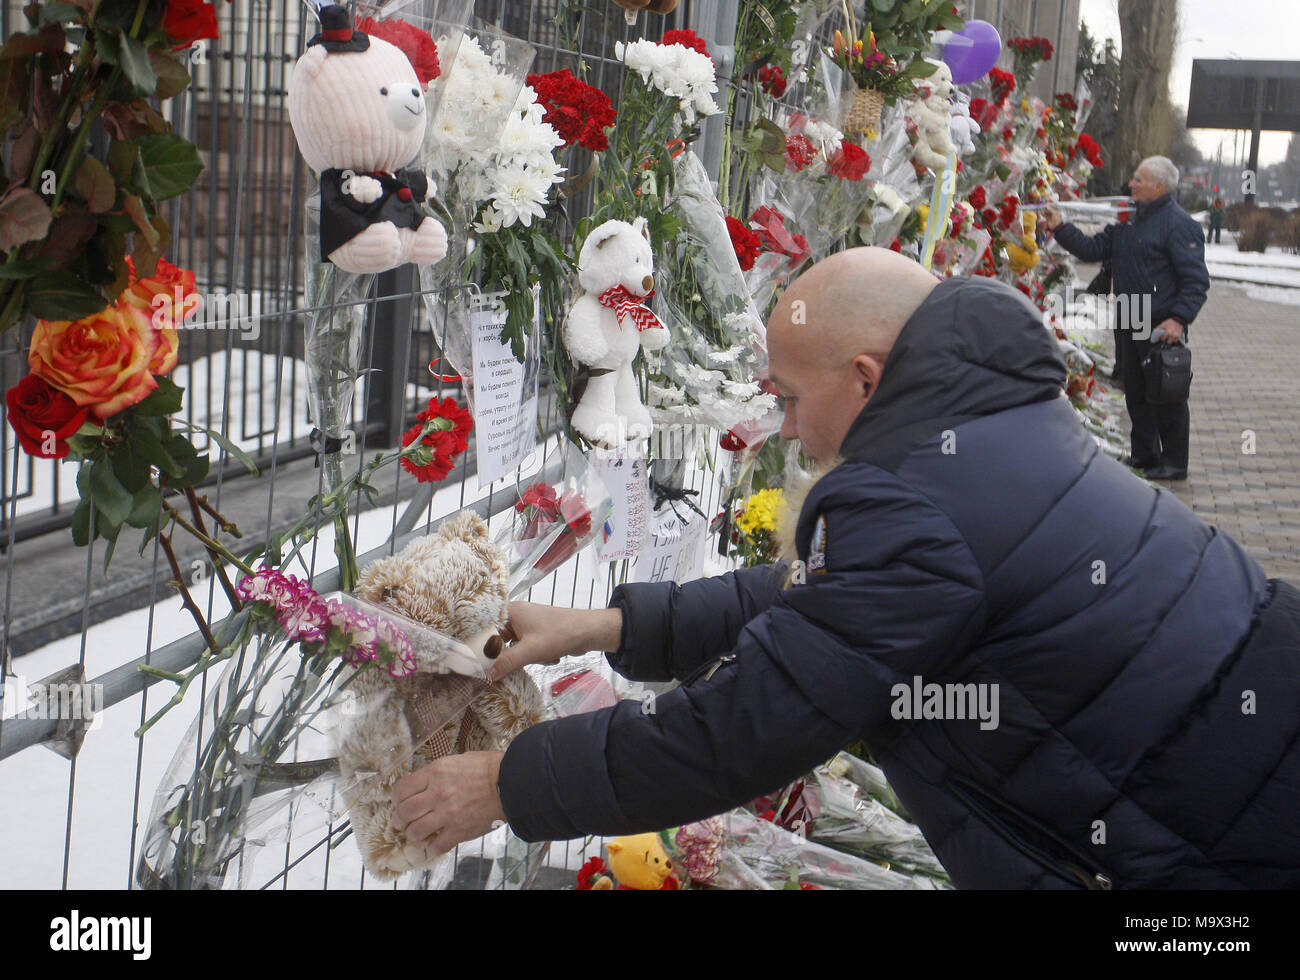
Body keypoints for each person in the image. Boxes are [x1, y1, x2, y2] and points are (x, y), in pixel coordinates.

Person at [392, 248, 1300, 889]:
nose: (783, 426)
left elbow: (751, 724)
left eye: (789, 397)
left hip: (1217, 842)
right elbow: (829, 599)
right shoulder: (980, 440)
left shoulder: (922, 504)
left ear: (866, 379)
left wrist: (513, 782)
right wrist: (613, 625)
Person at [1044, 156, 1209, 481]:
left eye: (1138, 179)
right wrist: (1059, 226)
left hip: (1161, 322)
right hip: (1130, 314)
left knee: (1166, 394)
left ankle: (1174, 462)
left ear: (1158, 187)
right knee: (1136, 392)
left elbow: (1195, 281)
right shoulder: (1128, 220)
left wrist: (1178, 320)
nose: (1130, 184)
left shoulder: (1179, 225)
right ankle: (1145, 456)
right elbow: (1093, 250)